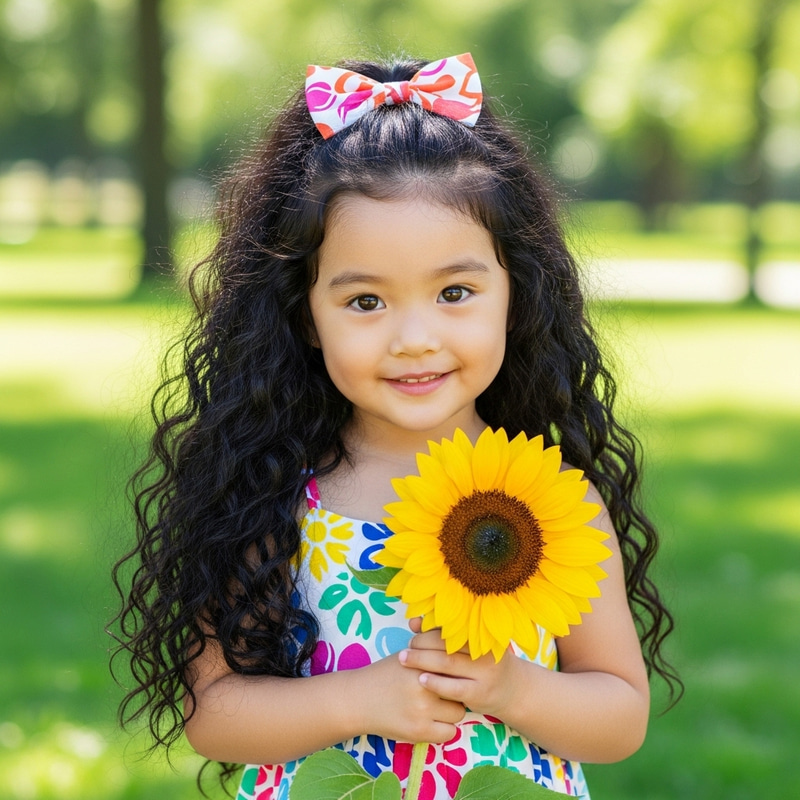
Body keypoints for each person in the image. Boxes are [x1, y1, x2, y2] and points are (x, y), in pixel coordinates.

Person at [111, 53, 681, 800]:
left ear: (516, 291)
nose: (414, 337)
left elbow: (620, 714)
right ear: (304, 316)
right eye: (366, 302)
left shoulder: (548, 501)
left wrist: (511, 688)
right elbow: (214, 714)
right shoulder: (279, 495)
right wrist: (359, 699)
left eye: (454, 291)